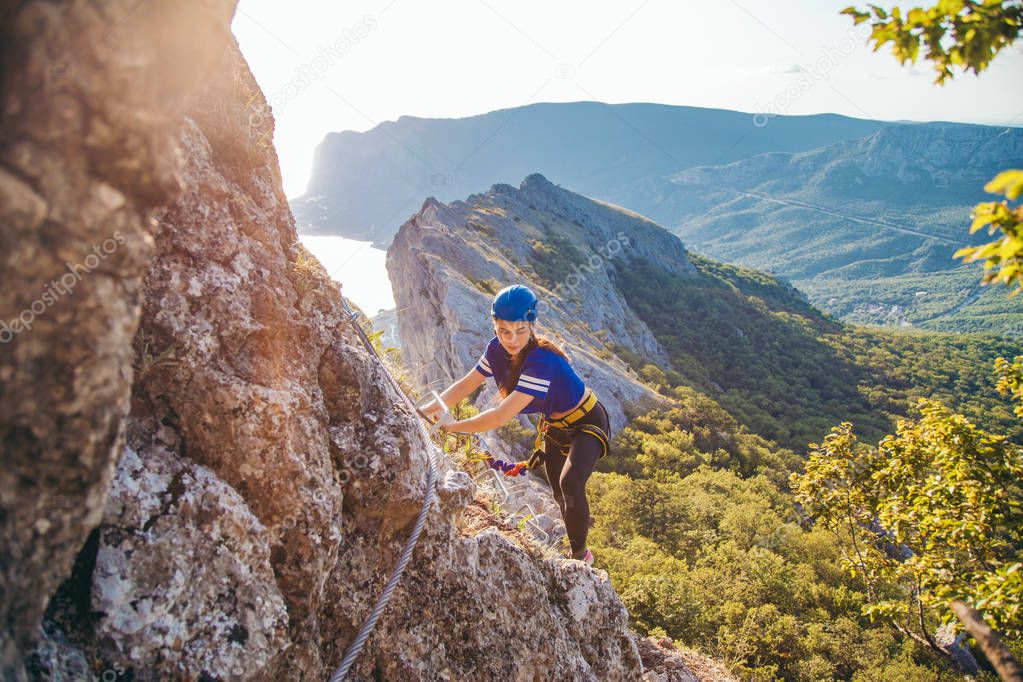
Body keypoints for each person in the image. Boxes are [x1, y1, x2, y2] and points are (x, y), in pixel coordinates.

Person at [421, 284, 611, 566]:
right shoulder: (496, 350)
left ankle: (581, 558)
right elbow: (466, 384)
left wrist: (450, 428)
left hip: (588, 421)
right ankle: (577, 549)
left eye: (520, 330)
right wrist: (425, 410)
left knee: (570, 483)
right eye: (503, 330)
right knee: (560, 494)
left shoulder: (541, 361)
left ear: (532, 326)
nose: (511, 339)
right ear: (494, 326)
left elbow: (499, 416)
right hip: (556, 426)